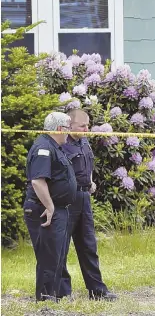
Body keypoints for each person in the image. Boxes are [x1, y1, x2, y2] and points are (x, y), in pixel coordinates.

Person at [59, 109, 117, 301]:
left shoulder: (84, 141)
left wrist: (90, 182)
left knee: (88, 246)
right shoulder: (62, 144)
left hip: (84, 198)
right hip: (67, 200)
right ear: (70, 126)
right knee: (62, 246)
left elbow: (87, 164)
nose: (86, 128)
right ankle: (62, 292)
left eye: (87, 125)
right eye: (82, 125)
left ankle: (97, 291)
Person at [23, 111, 77, 302]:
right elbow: (38, 181)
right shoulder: (43, 148)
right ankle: (46, 300)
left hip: (58, 209)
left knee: (58, 255)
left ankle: (57, 294)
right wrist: (50, 206)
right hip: (43, 209)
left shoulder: (55, 147)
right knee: (48, 256)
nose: (69, 132)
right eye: (68, 128)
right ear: (60, 129)